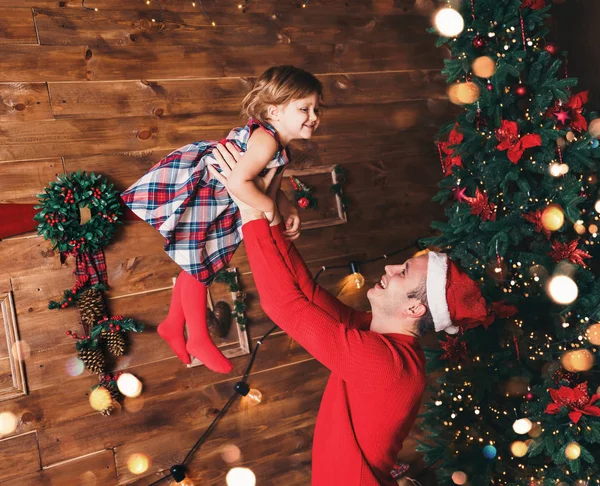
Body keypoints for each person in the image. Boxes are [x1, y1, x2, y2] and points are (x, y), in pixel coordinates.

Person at [208, 143, 493, 486]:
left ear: (415, 308)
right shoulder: (375, 334)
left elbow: (284, 307)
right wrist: (270, 217)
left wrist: (250, 211)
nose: (388, 268)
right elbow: (306, 296)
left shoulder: (386, 364)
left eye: (402, 272)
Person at [121, 66, 323, 372]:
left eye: (317, 108)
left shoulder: (279, 146)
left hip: (221, 201)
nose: (314, 116)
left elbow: (269, 184)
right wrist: (269, 210)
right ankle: (198, 336)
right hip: (208, 193)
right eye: (304, 108)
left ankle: (174, 324)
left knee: (197, 262)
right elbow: (240, 182)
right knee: (198, 264)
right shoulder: (266, 141)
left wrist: (287, 207)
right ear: (274, 111)